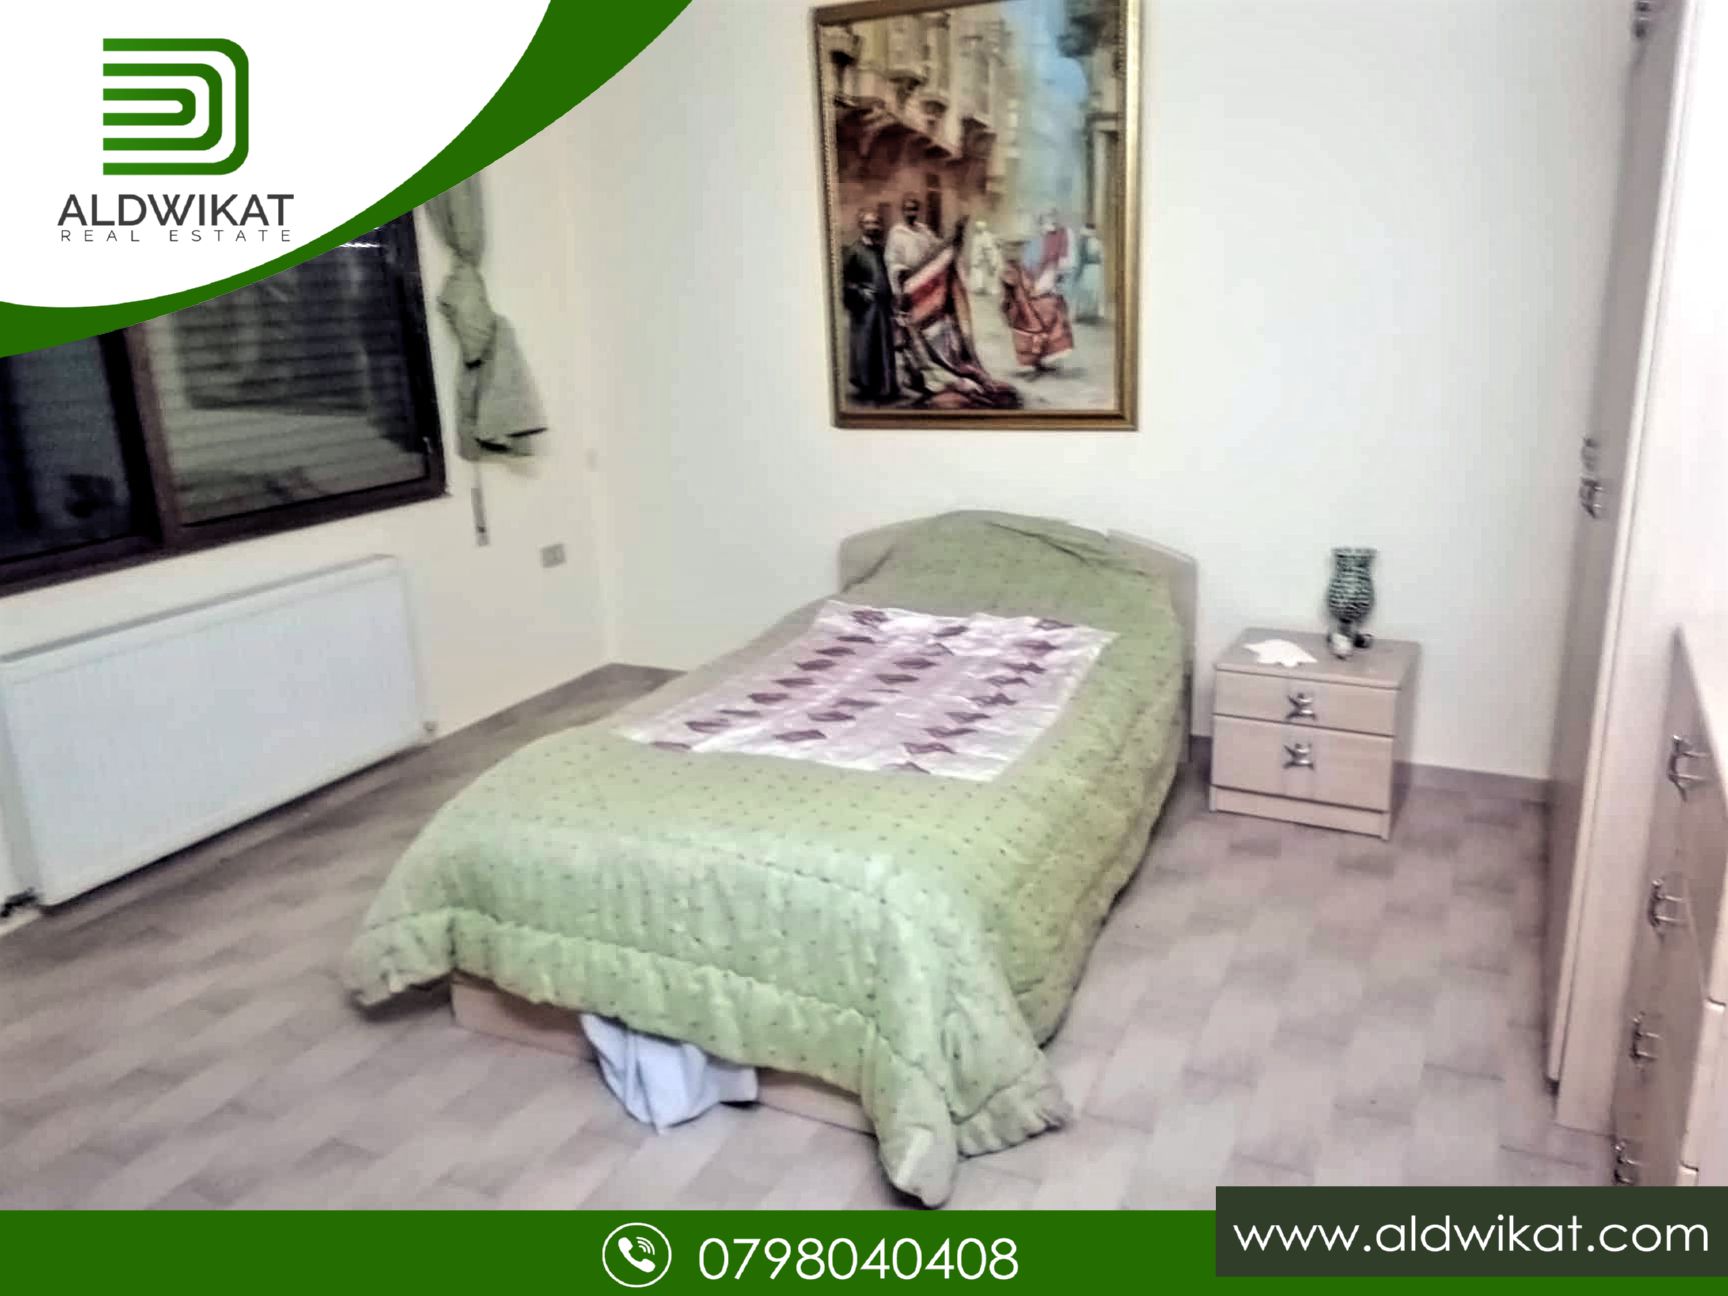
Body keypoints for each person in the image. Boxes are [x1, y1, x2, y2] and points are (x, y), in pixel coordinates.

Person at [839, 209, 900, 403]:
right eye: (868, 223)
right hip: (865, 310)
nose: (872, 227)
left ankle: (885, 388)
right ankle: (866, 387)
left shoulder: (881, 250)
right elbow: (843, 280)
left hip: (882, 308)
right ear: (861, 226)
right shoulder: (854, 250)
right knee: (866, 346)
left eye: (875, 223)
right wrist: (859, 291)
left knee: (883, 347)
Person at [999, 258, 1074, 373]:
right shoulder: (1014, 271)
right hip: (1024, 308)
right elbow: (1023, 291)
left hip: (1024, 304)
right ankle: (1038, 358)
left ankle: (1041, 358)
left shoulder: (1019, 269)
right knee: (1051, 309)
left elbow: (1028, 289)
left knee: (1053, 306)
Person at [885, 193, 941, 297]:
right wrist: (901, 270)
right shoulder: (896, 233)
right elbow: (891, 260)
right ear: (903, 211)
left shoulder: (924, 231)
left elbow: (938, 248)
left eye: (914, 209)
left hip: (925, 279)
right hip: (908, 280)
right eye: (908, 209)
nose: (911, 213)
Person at [1072, 221, 1105, 323]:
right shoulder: (1096, 242)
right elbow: (1101, 257)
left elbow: (1082, 259)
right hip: (1095, 269)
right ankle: (1090, 315)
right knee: (1091, 292)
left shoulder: (1086, 242)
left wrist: (1077, 273)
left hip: (1088, 269)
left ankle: (1086, 315)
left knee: (1087, 292)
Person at [967, 220, 1001, 297]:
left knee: (986, 274)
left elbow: (987, 249)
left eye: (979, 227)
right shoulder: (976, 237)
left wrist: (988, 258)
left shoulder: (986, 236)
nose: (978, 229)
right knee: (977, 273)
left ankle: (986, 289)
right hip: (976, 258)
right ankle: (978, 288)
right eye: (977, 228)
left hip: (982, 259)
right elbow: (975, 248)